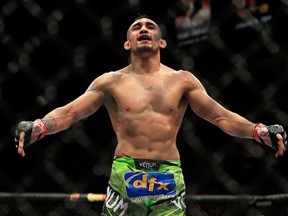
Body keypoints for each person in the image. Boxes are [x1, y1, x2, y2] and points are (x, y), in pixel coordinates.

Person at [15, 14, 287, 216]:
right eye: (136, 27)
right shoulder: (110, 82)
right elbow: (71, 112)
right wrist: (41, 125)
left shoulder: (183, 80)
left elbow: (220, 117)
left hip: (168, 174)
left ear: (162, 42)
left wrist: (257, 129)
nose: (143, 28)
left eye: (150, 26)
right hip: (125, 172)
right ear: (127, 43)